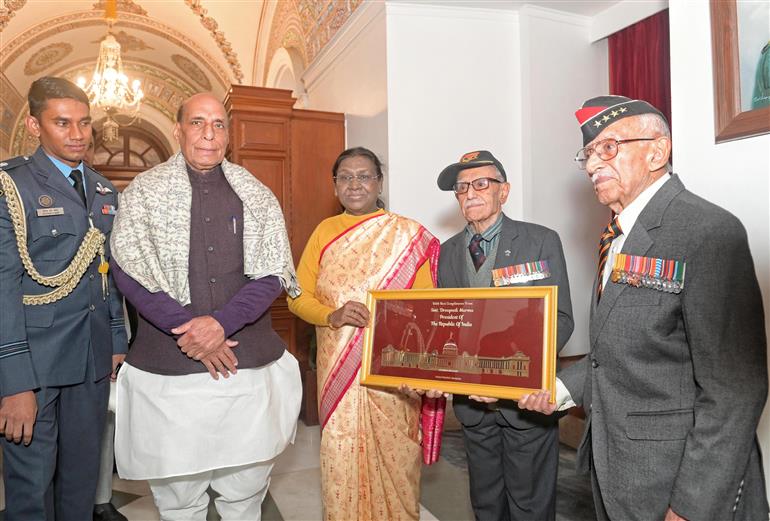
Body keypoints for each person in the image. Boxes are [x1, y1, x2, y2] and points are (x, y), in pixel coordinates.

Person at [519, 95, 769, 521]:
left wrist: (692, 505)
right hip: (616, 472)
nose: (593, 164)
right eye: (588, 153)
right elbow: (620, 351)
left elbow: (733, 389)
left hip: (677, 483)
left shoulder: (706, 230)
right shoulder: (616, 235)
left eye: (609, 147)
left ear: (657, 151)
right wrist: (561, 389)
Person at [110, 92, 302, 521]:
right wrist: (190, 329)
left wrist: (219, 324)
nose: (208, 134)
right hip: (170, 373)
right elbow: (128, 269)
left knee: (245, 493)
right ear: (178, 130)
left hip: (247, 367)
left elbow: (272, 273)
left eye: (217, 125)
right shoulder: (145, 192)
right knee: (179, 499)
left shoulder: (256, 194)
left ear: (228, 136)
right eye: (197, 123)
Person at [287, 146, 442, 521]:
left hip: (392, 373)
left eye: (364, 176)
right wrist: (333, 314)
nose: (355, 184)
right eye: (346, 177)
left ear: (379, 182)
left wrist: (418, 369)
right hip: (337, 373)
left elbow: (427, 309)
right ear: (335, 186)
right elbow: (296, 296)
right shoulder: (324, 232)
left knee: (397, 459)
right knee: (341, 455)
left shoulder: (406, 234)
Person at [0, 76, 127, 520]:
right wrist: (14, 384)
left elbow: (105, 272)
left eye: (85, 123)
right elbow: (3, 288)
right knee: (31, 490)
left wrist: (115, 341)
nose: (78, 134)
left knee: (79, 486)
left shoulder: (104, 190)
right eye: (62, 123)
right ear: (35, 126)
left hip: (91, 361)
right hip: (36, 364)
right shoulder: (10, 187)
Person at [436, 150, 574, 521]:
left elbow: (560, 320)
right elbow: (445, 325)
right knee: (486, 506)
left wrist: (508, 379)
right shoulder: (445, 254)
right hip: (473, 410)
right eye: (461, 187)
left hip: (525, 406)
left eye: (482, 183)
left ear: (505, 191)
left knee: (529, 508)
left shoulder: (540, 241)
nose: (470, 193)